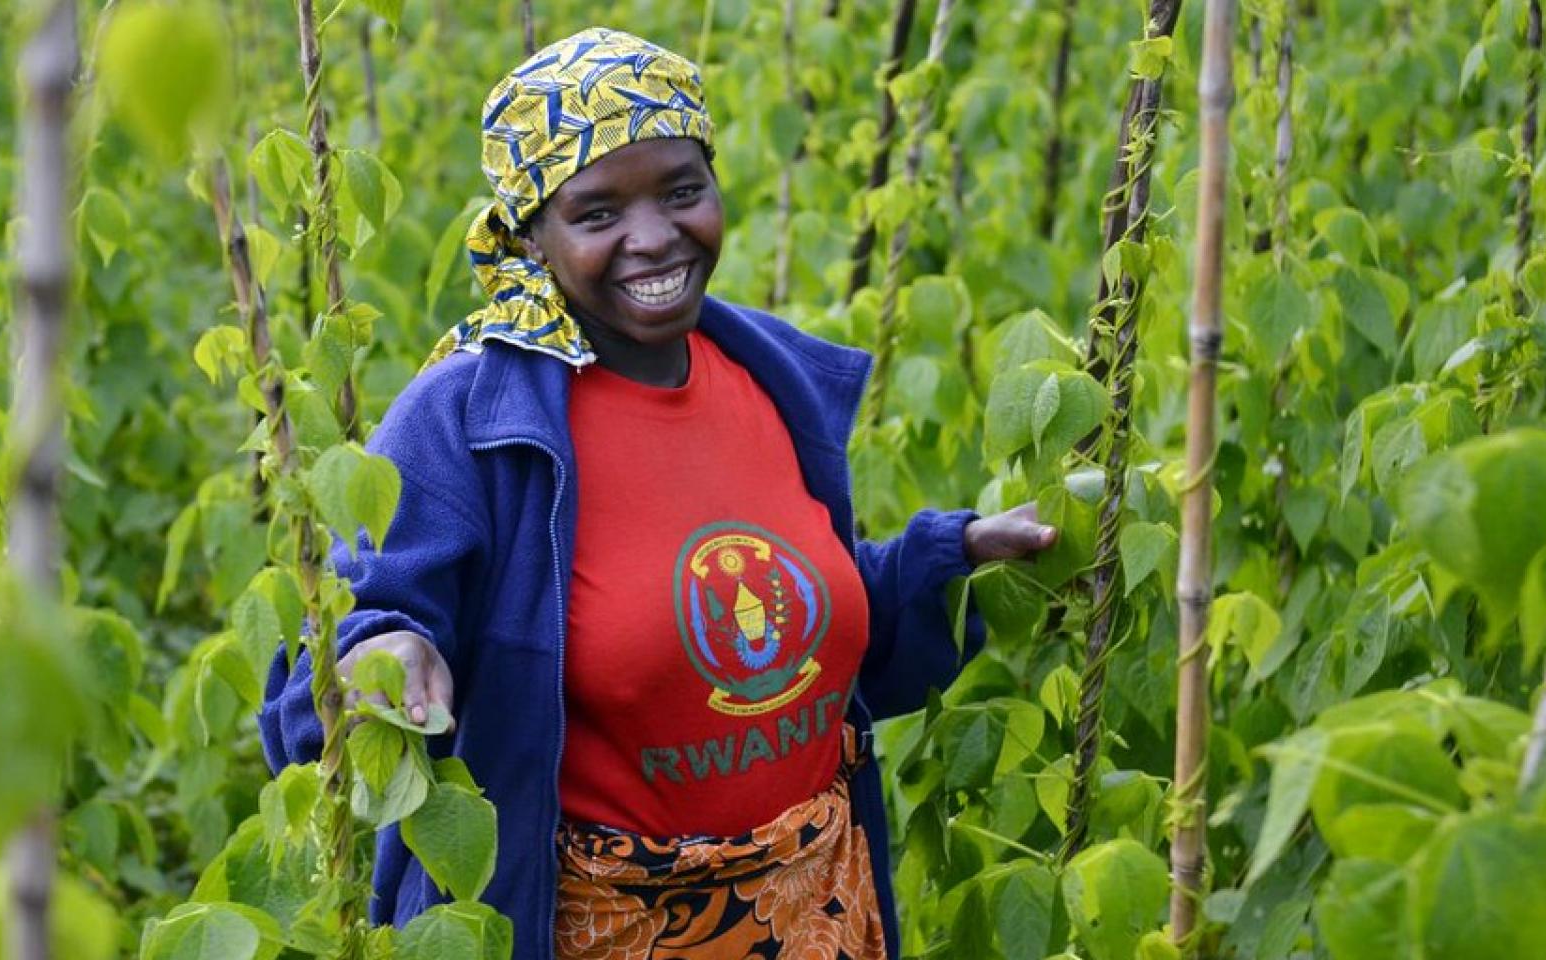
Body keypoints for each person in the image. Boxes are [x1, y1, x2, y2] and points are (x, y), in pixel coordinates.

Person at [261, 27, 1057, 960]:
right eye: (598, 213)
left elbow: (786, 639)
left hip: (820, 915)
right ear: (530, 232)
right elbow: (334, 652)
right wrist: (380, 648)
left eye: (682, 190)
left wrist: (944, 558)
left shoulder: (766, 378)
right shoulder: (472, 421)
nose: (654, 237)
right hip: (595, 929)